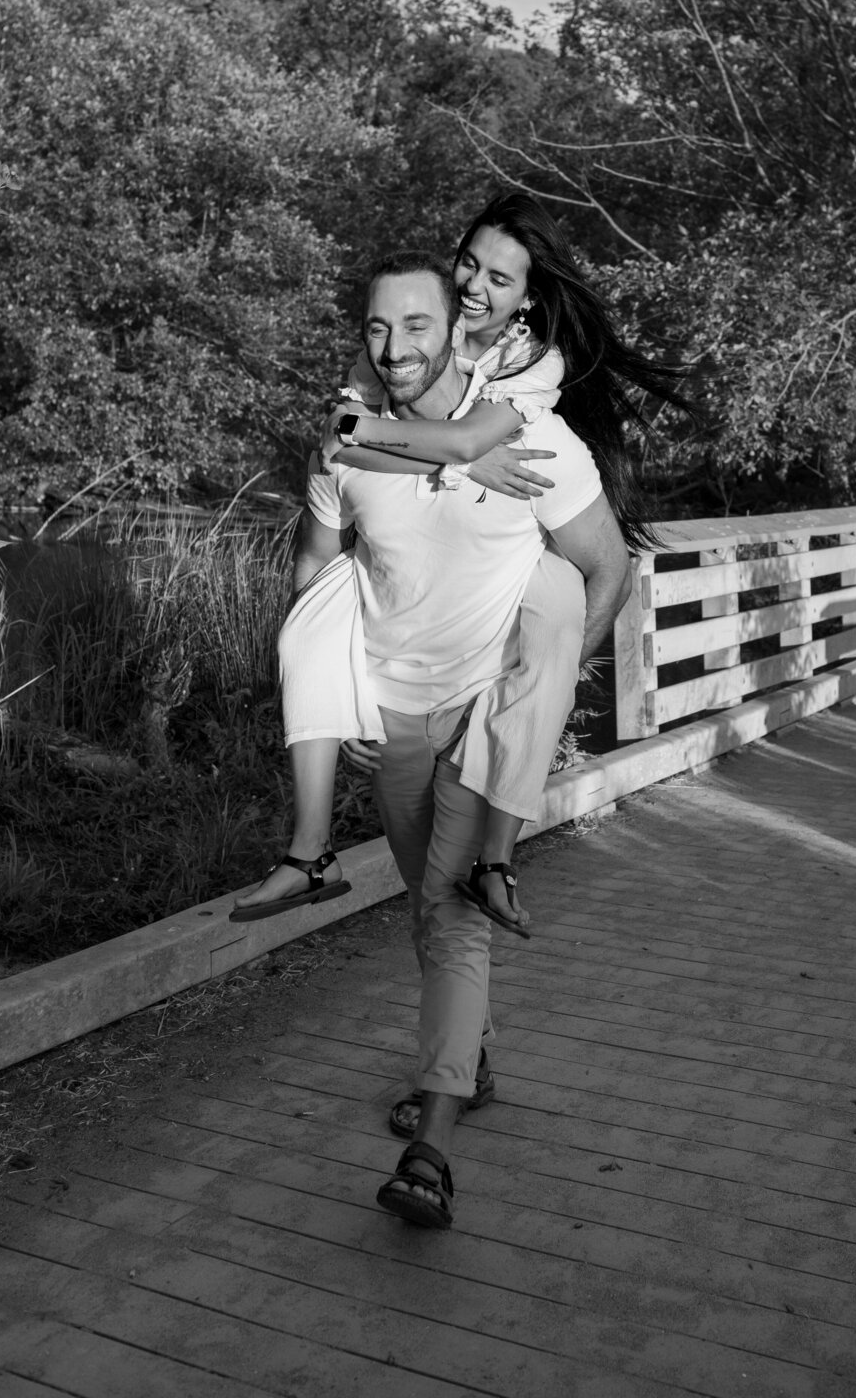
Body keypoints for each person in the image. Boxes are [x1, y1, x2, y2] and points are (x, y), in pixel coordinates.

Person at [288, 248, 631, 1228]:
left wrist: (545, 693)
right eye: (377, 327)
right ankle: (467, 1063)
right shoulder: (348, 450)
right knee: (427, 910)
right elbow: (317, 562)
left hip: (486, 710)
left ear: (457, 330)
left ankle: (431, 1149)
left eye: (417, 326)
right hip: (395, 720)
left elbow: (604, 569)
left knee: (452, 915)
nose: (394, 347)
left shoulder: (536, 444)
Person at [231, 195, 685, 936]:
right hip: (420, 641)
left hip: (513, 569)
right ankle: (313, 848)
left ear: (528, 300)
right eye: (468, 263)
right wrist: (454, 458)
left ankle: (496, 860)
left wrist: (446, 451)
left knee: (558, 610)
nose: (475, 286)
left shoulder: (536, 364)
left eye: (498, 280)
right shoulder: (406, 335)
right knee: (314, 613)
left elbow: (443, 439)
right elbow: (350, 435)